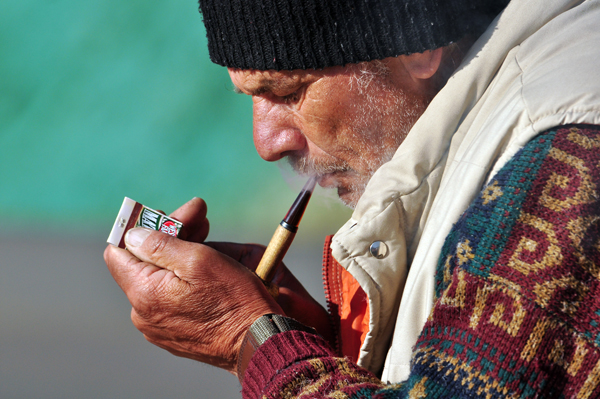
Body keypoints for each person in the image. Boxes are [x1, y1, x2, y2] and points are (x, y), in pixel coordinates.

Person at [104, 0, 600, 397]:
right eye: (250, 96)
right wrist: (315, 341)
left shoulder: (563, 158)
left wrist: (249, 339)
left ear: (417, 40)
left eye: (287, 91)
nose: (266, 142)